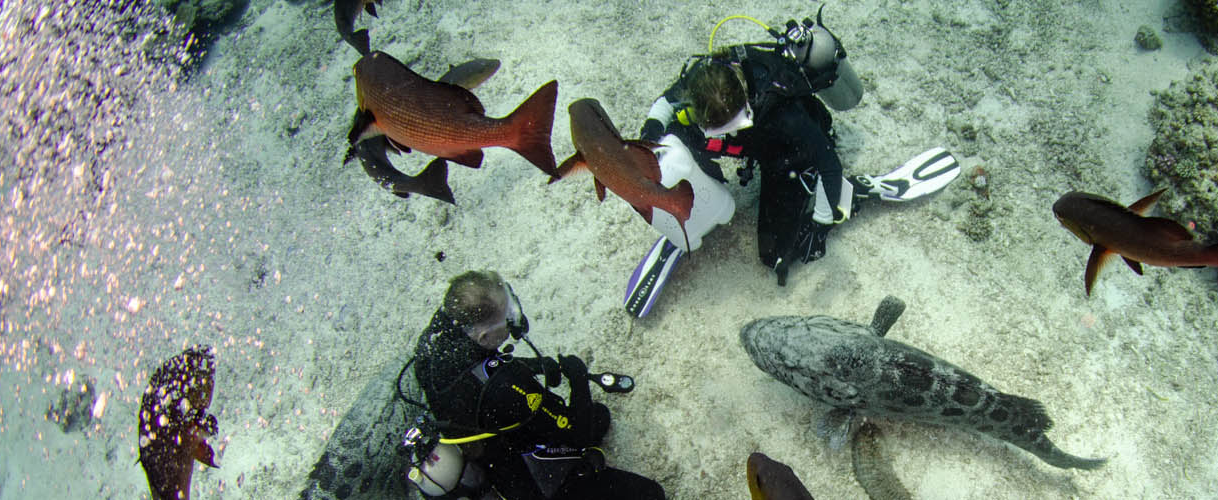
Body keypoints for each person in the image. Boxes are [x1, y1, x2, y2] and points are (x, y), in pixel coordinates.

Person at [631, 10, 959, 293]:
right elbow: (664, 104)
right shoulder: (702, 79)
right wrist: (650, 136)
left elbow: (829, 164)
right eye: (714, 126)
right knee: (675, 134)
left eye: (727, 124)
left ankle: (850, 195)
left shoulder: (784, 114)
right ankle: (708, 193)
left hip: (784, 152)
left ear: (745, 105)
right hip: (749, 140)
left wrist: (821, 219)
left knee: (773, 257)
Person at [401, 270, 665, 500]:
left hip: (485, 437)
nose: (514, 317)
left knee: (600, 417)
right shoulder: (508, 388)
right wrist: (578, 379)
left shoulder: (439, 334)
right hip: (527, 481)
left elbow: (477, 372)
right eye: (507, 317)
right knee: (651, 494)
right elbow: (577, 434)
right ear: (484, 336)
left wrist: (536, 366)